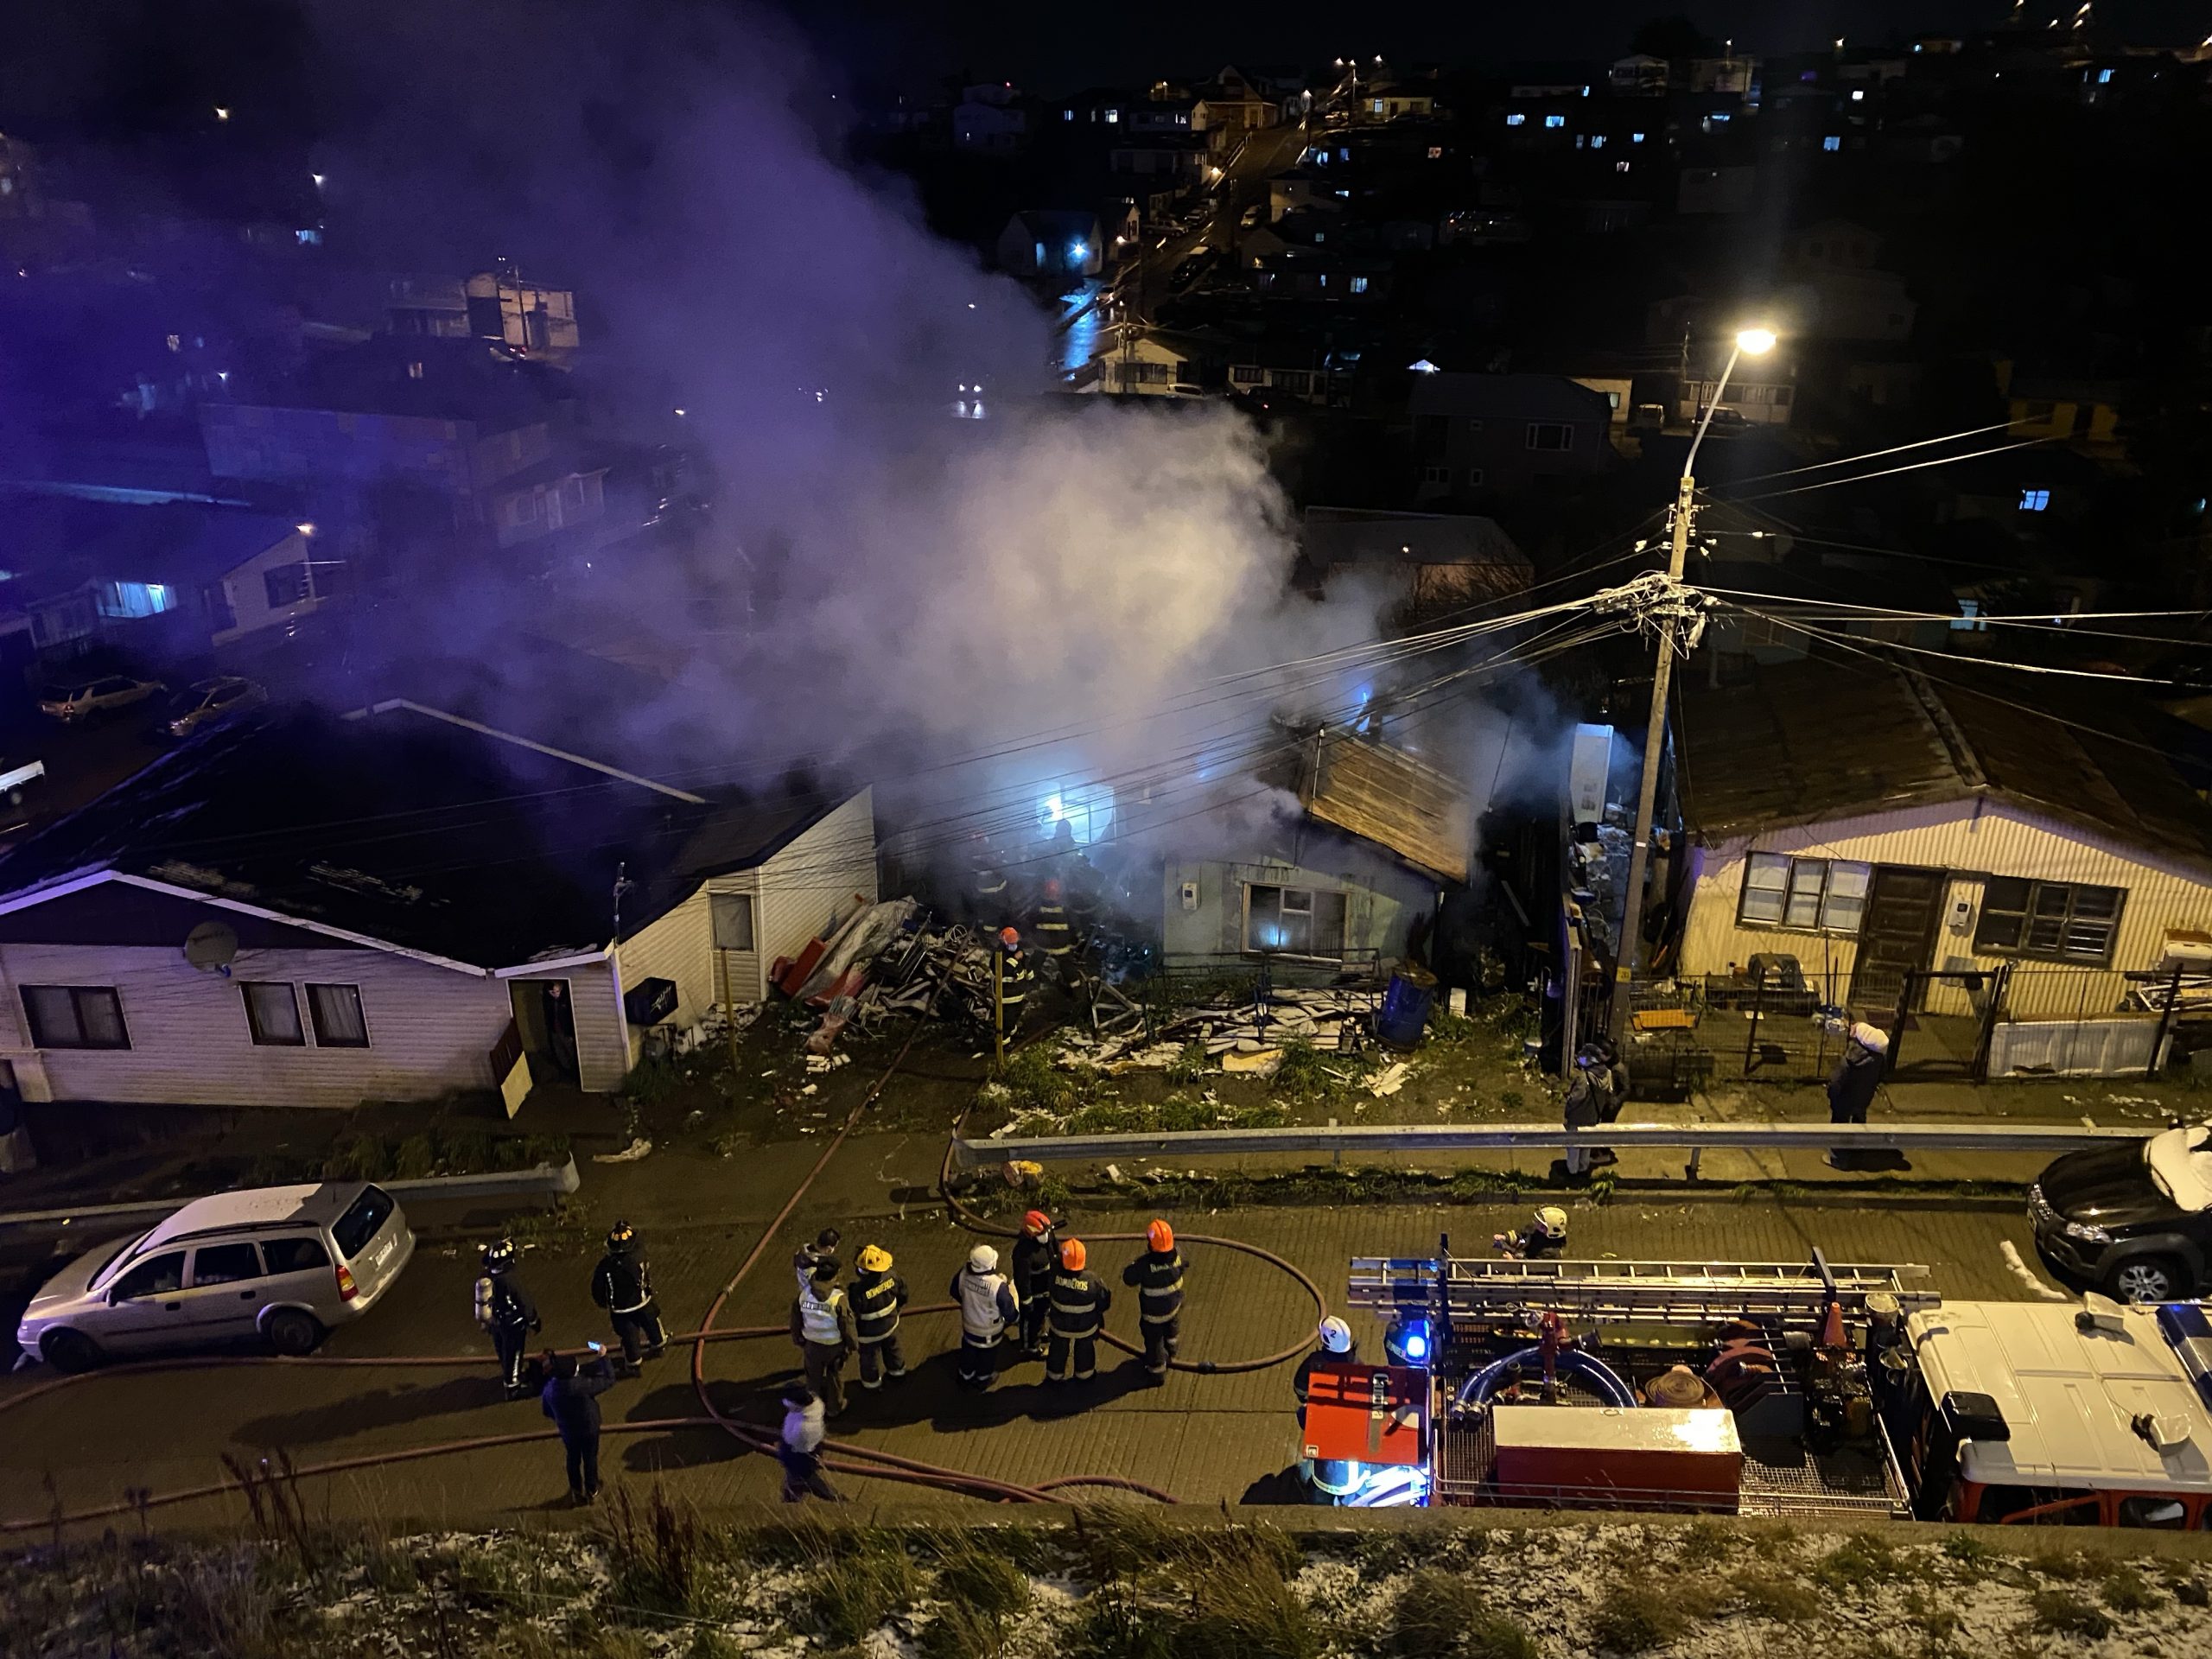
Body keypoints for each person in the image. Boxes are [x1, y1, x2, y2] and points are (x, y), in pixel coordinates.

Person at [540, 1342, 618, 1503]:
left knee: (572, 1459)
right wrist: (604, 1358)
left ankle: (576, 1491)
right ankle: (592, 1488)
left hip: (568, 1430)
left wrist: (560, 1418)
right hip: (588, 1428)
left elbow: (546, 1411)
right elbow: (609, 1380)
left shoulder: (550, 1389)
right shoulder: (581, 1386)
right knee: (590, 1457)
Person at [590, 1221, 664, 1376]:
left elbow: (597, 1287)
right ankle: (659, 1345)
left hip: (620, 1310)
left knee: (630, 1337)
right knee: (652, 1324)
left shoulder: (606, 1266)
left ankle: (633, 1364)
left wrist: (602, 1302)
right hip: (643, 1302)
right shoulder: (641, 1255)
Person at [474, 1237, 541, 1400]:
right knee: (514, 1354)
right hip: (513, 1324)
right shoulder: (510, 1279)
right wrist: (534, 1320)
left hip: (496, 1324)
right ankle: (513, 1387)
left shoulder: (489, 1276)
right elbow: (524, 1301)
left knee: (503, 1352)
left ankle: (511, 1376)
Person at [790, 1262, 859, 1416]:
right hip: (835, 1347)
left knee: (813, 1377)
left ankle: (813, 1408)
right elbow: (847, 1326)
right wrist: (853, 1345)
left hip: (812, 1346)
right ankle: (834, 1408)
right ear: (834, 1276)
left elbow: (795, 1320)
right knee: (835, 1377)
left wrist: (798, 1339)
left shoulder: (804, 1294)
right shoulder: (838, 1299)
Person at [1122, 1219, 1185, 1382]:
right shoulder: (1178, 1255)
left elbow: (1129, 1278)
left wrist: (1134, 1264)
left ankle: (1157, 1371)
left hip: (1153, 1314)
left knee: (1154, 1340)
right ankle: (1172, 1350)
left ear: (1151, 1244)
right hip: (1174, 1307)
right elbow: (1184, 1264)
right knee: (1172, 1328)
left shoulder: (1144, 1264)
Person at [951, 1243, 1020, 1389]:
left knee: (968, 1351)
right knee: (987, 1356)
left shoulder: (963, 1274)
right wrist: (1015, 1318)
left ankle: (965, 1376)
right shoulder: (997, 1286)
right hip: (989, 1332)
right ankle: (983, 1379)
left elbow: (955, 1292)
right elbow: (1008, 1309)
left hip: (969, 1327)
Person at [1045, 1237, 1111, 1385]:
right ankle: (1085, 1377)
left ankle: (1054, 1377)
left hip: (1060, 1327)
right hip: (1086, 1328)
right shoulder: (1093, 1280)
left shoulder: (1054, 1274)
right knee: (1085, 1350)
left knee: (1058, 1350)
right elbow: (1105, 1302)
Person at [1826, 1020, 1890, 1169]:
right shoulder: (1878, 1059)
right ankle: (1857, 1149)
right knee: (1859, 1122)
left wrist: (1832, 1096)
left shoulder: (1848, 1062)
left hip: (1844, 1100)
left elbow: (1836, 1082)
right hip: (1863, 1098)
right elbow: (1880, 1077)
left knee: (1839, 1126)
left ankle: (1838, 1158)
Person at [849, 1244, 911, 1390]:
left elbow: (852, 1314)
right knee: (893, 1349)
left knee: (869, 1358)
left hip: (867, 1334)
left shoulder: (857, 1292)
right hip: (890, 1325)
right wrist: (896, 1311)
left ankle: (872, 1385)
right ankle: (898, 1373)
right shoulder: (892, 1276)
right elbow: (903, 1295)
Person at [779, 1382, 842, 1503]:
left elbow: (792, 1444)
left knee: (804, 1480)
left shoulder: (802, 1429)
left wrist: (785, 1456)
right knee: (803, 1480)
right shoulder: (815, 1405)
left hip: (800, 1458)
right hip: (809, 1448)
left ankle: (837, 1500)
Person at [1010, 1209, 1060, 1358]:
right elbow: (1022, 1279)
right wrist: (1026, 1301)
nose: (1045, 1236)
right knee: (1030, 1321)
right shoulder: (1023, 1253)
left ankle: (1040, 1333)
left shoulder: (1048, 1234)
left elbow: (1055, 1251)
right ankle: (1030, 1347)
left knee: (1042, 1316)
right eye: (1040, 1234)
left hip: (1047, 1288)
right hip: (1034, 1293)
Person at [1561, 1044, 1617, 1179]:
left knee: (1573, 1147)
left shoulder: (1584, 1077)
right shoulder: (1608, 1074)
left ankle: (1572, 1174)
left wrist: (1567, 1107)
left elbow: (1576, 1099)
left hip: (1578, 1118)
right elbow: (1609, 1094)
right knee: (1586, 1146)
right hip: (1594, 1117)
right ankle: (1583, 1170)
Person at [1294, 1317, 1357, 1425]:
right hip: (1348, 1410)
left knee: (1302, 1415)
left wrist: (1307, 1398)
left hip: (1324, 1411)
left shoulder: (1314, 1362)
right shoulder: (1354, 1361)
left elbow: (1299, 1387)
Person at [1032, 878, 1082, 991]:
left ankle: (1031, 984)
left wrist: (1032, 936)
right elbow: (1074, 925)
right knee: (1066, 965)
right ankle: (1076, 989)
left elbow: (1031, 922)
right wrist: (1076, 939)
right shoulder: (1065, 907)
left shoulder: (1038, 906)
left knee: (1035, 964)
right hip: (1061, 944)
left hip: (1042, 944)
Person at [995, 928, 1033, 1042]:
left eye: (1015, 941)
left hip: (1018, 994)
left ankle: (1012, 1033)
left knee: (1015, 1015)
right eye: (1011, 941)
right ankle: (1003, 1043)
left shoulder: (1017, 950)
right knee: (1007, 1020)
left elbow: (1025, 965)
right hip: (1006, 996)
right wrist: (1015, 959)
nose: (1014, 944)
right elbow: (1003, 970)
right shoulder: (999, 954)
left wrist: (1031, 979)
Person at [1493, 1205, 1572, 1260]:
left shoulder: (1550, 1252)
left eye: (1542, 1226)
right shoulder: (1536, 1231)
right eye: (1538, 1222)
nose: (1537, 1225)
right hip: (1523, 1255)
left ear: (1550, 1231)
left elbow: (1533, 1267)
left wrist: (1513, 1261)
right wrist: (1506, 1237)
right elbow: (1523, 1238)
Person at [793, 1227, 842, 1294]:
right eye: (834, 1247)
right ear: (829, 1249)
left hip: (803, 1290)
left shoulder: (802, 1252)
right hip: (814, 1296)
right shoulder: (821, 1267)